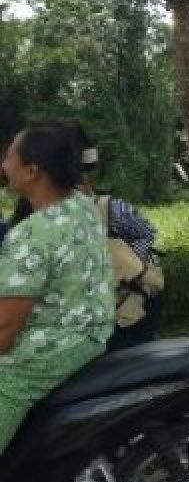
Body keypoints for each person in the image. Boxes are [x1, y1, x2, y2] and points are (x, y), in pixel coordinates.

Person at [0, 125, 114, 453]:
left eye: (9, 156)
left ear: (32, 171)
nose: (4, 164)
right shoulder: (81, 205)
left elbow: (6, 329)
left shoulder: (33, 235)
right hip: (90, 333)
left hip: (47, 351)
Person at [73, 135, 163, 351]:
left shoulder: (110, 208)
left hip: (133, 304)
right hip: (94, 311)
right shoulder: (44, 214)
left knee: (130, 361)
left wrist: (127, 266)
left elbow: (146, 232)